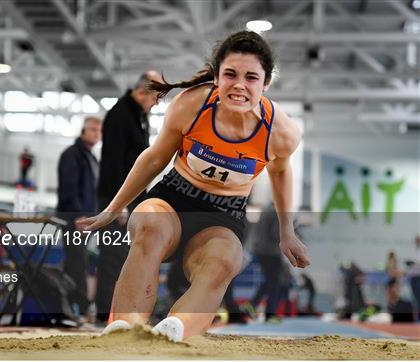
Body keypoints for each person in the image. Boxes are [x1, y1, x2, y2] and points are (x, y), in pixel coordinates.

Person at [79, 30, 309, 342]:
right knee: (149, 225)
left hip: (223, 216)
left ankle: (174, 333)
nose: (239, 85)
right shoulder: (191, 105)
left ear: (265, 84)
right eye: (230, 74)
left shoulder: (281, 131)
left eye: (251, 77)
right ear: (217, 76)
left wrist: (287, 232)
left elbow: (281, 173)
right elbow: (154, 158)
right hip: (173, 201)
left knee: (226, 261)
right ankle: (122, 331)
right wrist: (113, 208)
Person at [94, 70, 163, 322]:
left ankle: (127, 313)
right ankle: (105, 315)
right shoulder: (120, 115)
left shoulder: (139, 117)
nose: (157, 103)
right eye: (156, 97)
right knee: (113, 256)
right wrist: (117, 204)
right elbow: (112, 162)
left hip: (132, 199)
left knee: (131, 256)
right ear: (143, 91)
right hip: (116, 199)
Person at [57, 116, 102, 318]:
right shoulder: (72, 154)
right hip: (74, 219)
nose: (96, 133)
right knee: (76, 262)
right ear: (82, 131)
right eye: (92, 129)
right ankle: (81, 307)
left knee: (77, 263)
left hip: (87, 220)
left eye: (98, 130)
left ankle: (68, 305)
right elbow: (69, 188)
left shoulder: (92, 158)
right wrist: (77, 217)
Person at [244, 203, 285, 323]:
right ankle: (270, 314)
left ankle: (252, 304)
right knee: (275, 282)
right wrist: (289, 233)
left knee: (269, 281)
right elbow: (275, 234)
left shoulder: (265, 210)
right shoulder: (277, 212)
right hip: (271, 252)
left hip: (261, 250)